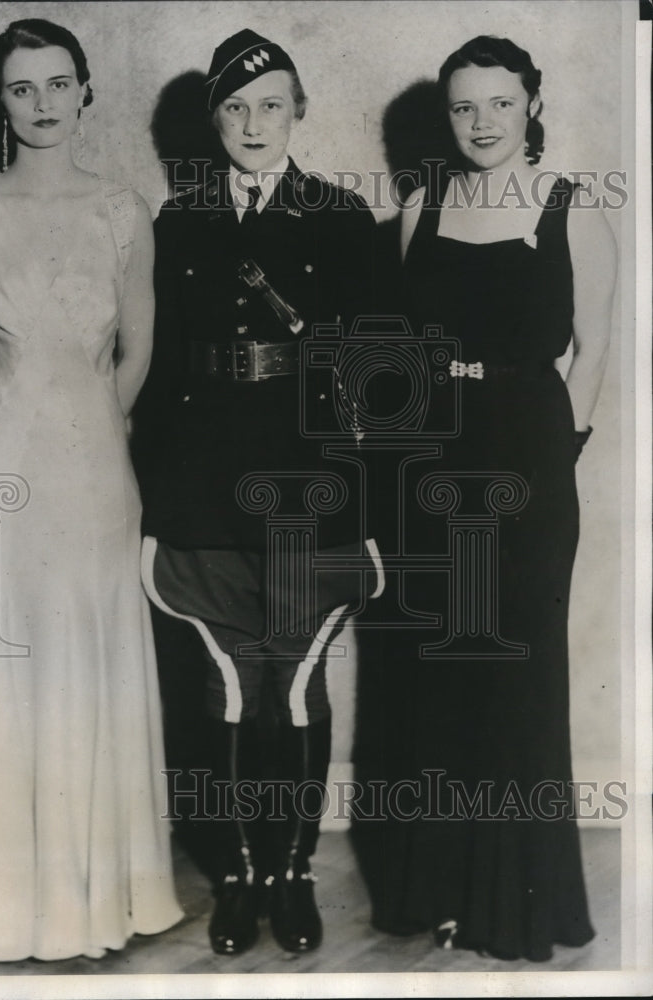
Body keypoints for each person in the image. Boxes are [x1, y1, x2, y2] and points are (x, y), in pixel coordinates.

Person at [352, 35, 616, 962]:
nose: (481, 123)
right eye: (463, 106)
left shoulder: (567, 209)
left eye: (499, 104)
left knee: (515, 680)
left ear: (531, 105)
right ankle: (442, 893)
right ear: (445, 114)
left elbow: (592, 350)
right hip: (428, 465)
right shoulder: (418, 208)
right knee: (437, 680)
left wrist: (556, 452)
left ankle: (517, 906)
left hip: (527, 467)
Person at [0, 18, 183, 961]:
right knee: (7, 666)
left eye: (57, 85)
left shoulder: (123, 212)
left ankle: (95, 900)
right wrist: (3, 421)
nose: (41, 104)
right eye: (21, 88)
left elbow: (139, 346)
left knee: (87, 658)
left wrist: (91, 421)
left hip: (93, 466)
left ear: (84, 93)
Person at [136, 29, 379, 955]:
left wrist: (365, 503)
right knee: (229, 689)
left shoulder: (341, 216)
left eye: (270, 102)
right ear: (211, 121)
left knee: (301, 686)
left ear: (298, 111)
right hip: (201, 488)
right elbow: (157, 378)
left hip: (308, 487)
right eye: (233, 106)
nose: (251, 122)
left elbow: (373, 374)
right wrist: (154, 497)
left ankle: (294, 875)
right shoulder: (179, 220)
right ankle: (238, 875)